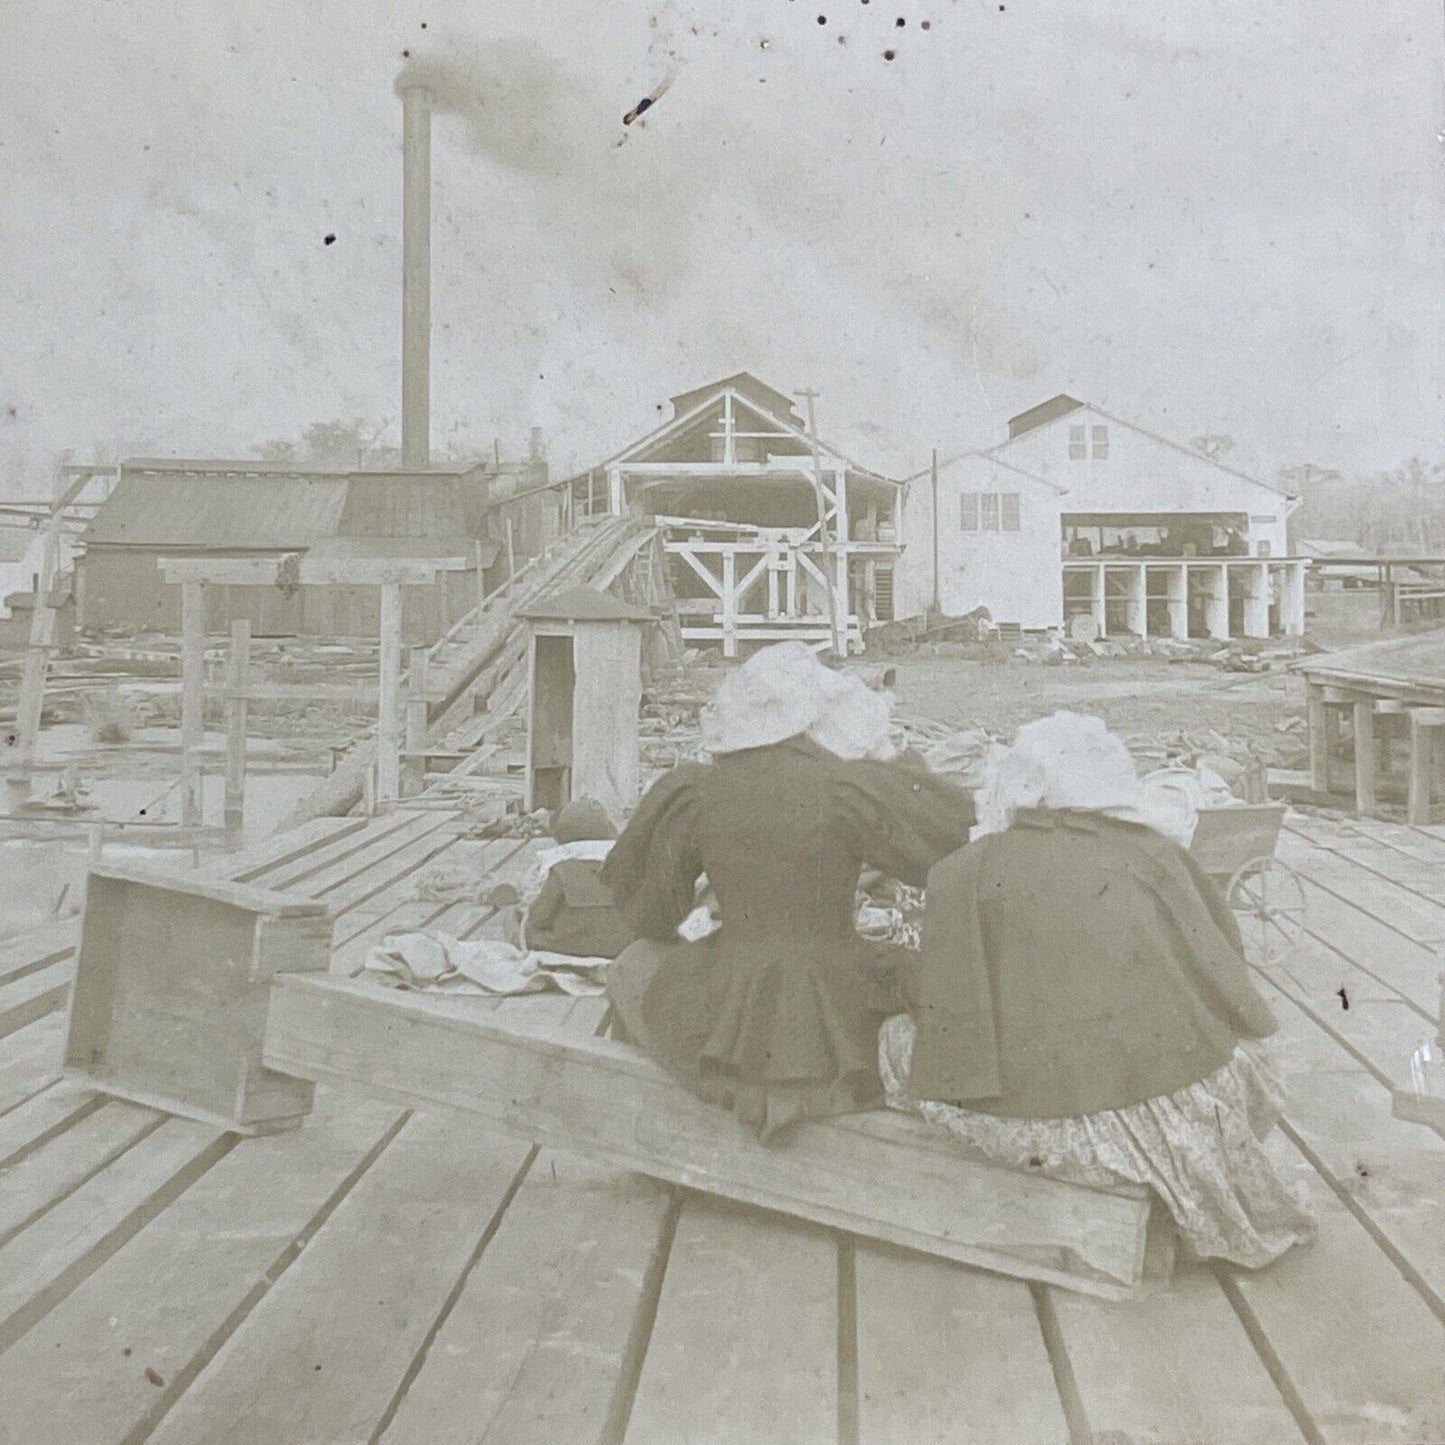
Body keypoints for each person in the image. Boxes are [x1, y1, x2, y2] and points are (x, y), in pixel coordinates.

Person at [882, 711, 1316, 1269]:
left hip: (1051, 1123)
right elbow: (1227, 973)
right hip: (1181, 1106)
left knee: (896, 1040)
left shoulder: (962, 871)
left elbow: (948, 1022)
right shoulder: (1157, 851)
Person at [602, 642, 975, 1144]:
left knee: (634, 968)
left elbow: (653, 914)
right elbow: (947, 850)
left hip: (729, 981)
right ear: (807, 714)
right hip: (833, 981)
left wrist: (704, 921)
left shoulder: (695, 789)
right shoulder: (842, 787)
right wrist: (891, 758)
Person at [521, 798, 634, 960]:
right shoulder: (627, 867)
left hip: (570, 947)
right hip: (619, 946)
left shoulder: (561, 868)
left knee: (518, 921)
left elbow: (540, 917)